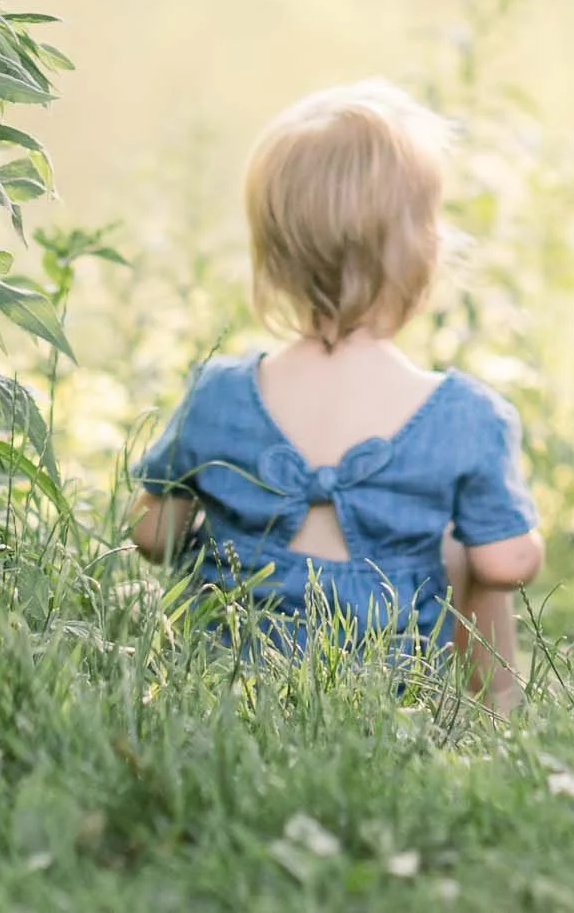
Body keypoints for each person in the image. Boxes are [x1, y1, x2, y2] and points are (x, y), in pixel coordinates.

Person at [127, 80, 545, 709]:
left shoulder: (219, 393)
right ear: (421, 256)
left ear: (272, 257)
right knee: (465, 544)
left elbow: (153, 534)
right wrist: (521, 545)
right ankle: (498, 708)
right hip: (389, 685)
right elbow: (506, 564)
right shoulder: (463, 416)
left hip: (227, 678)